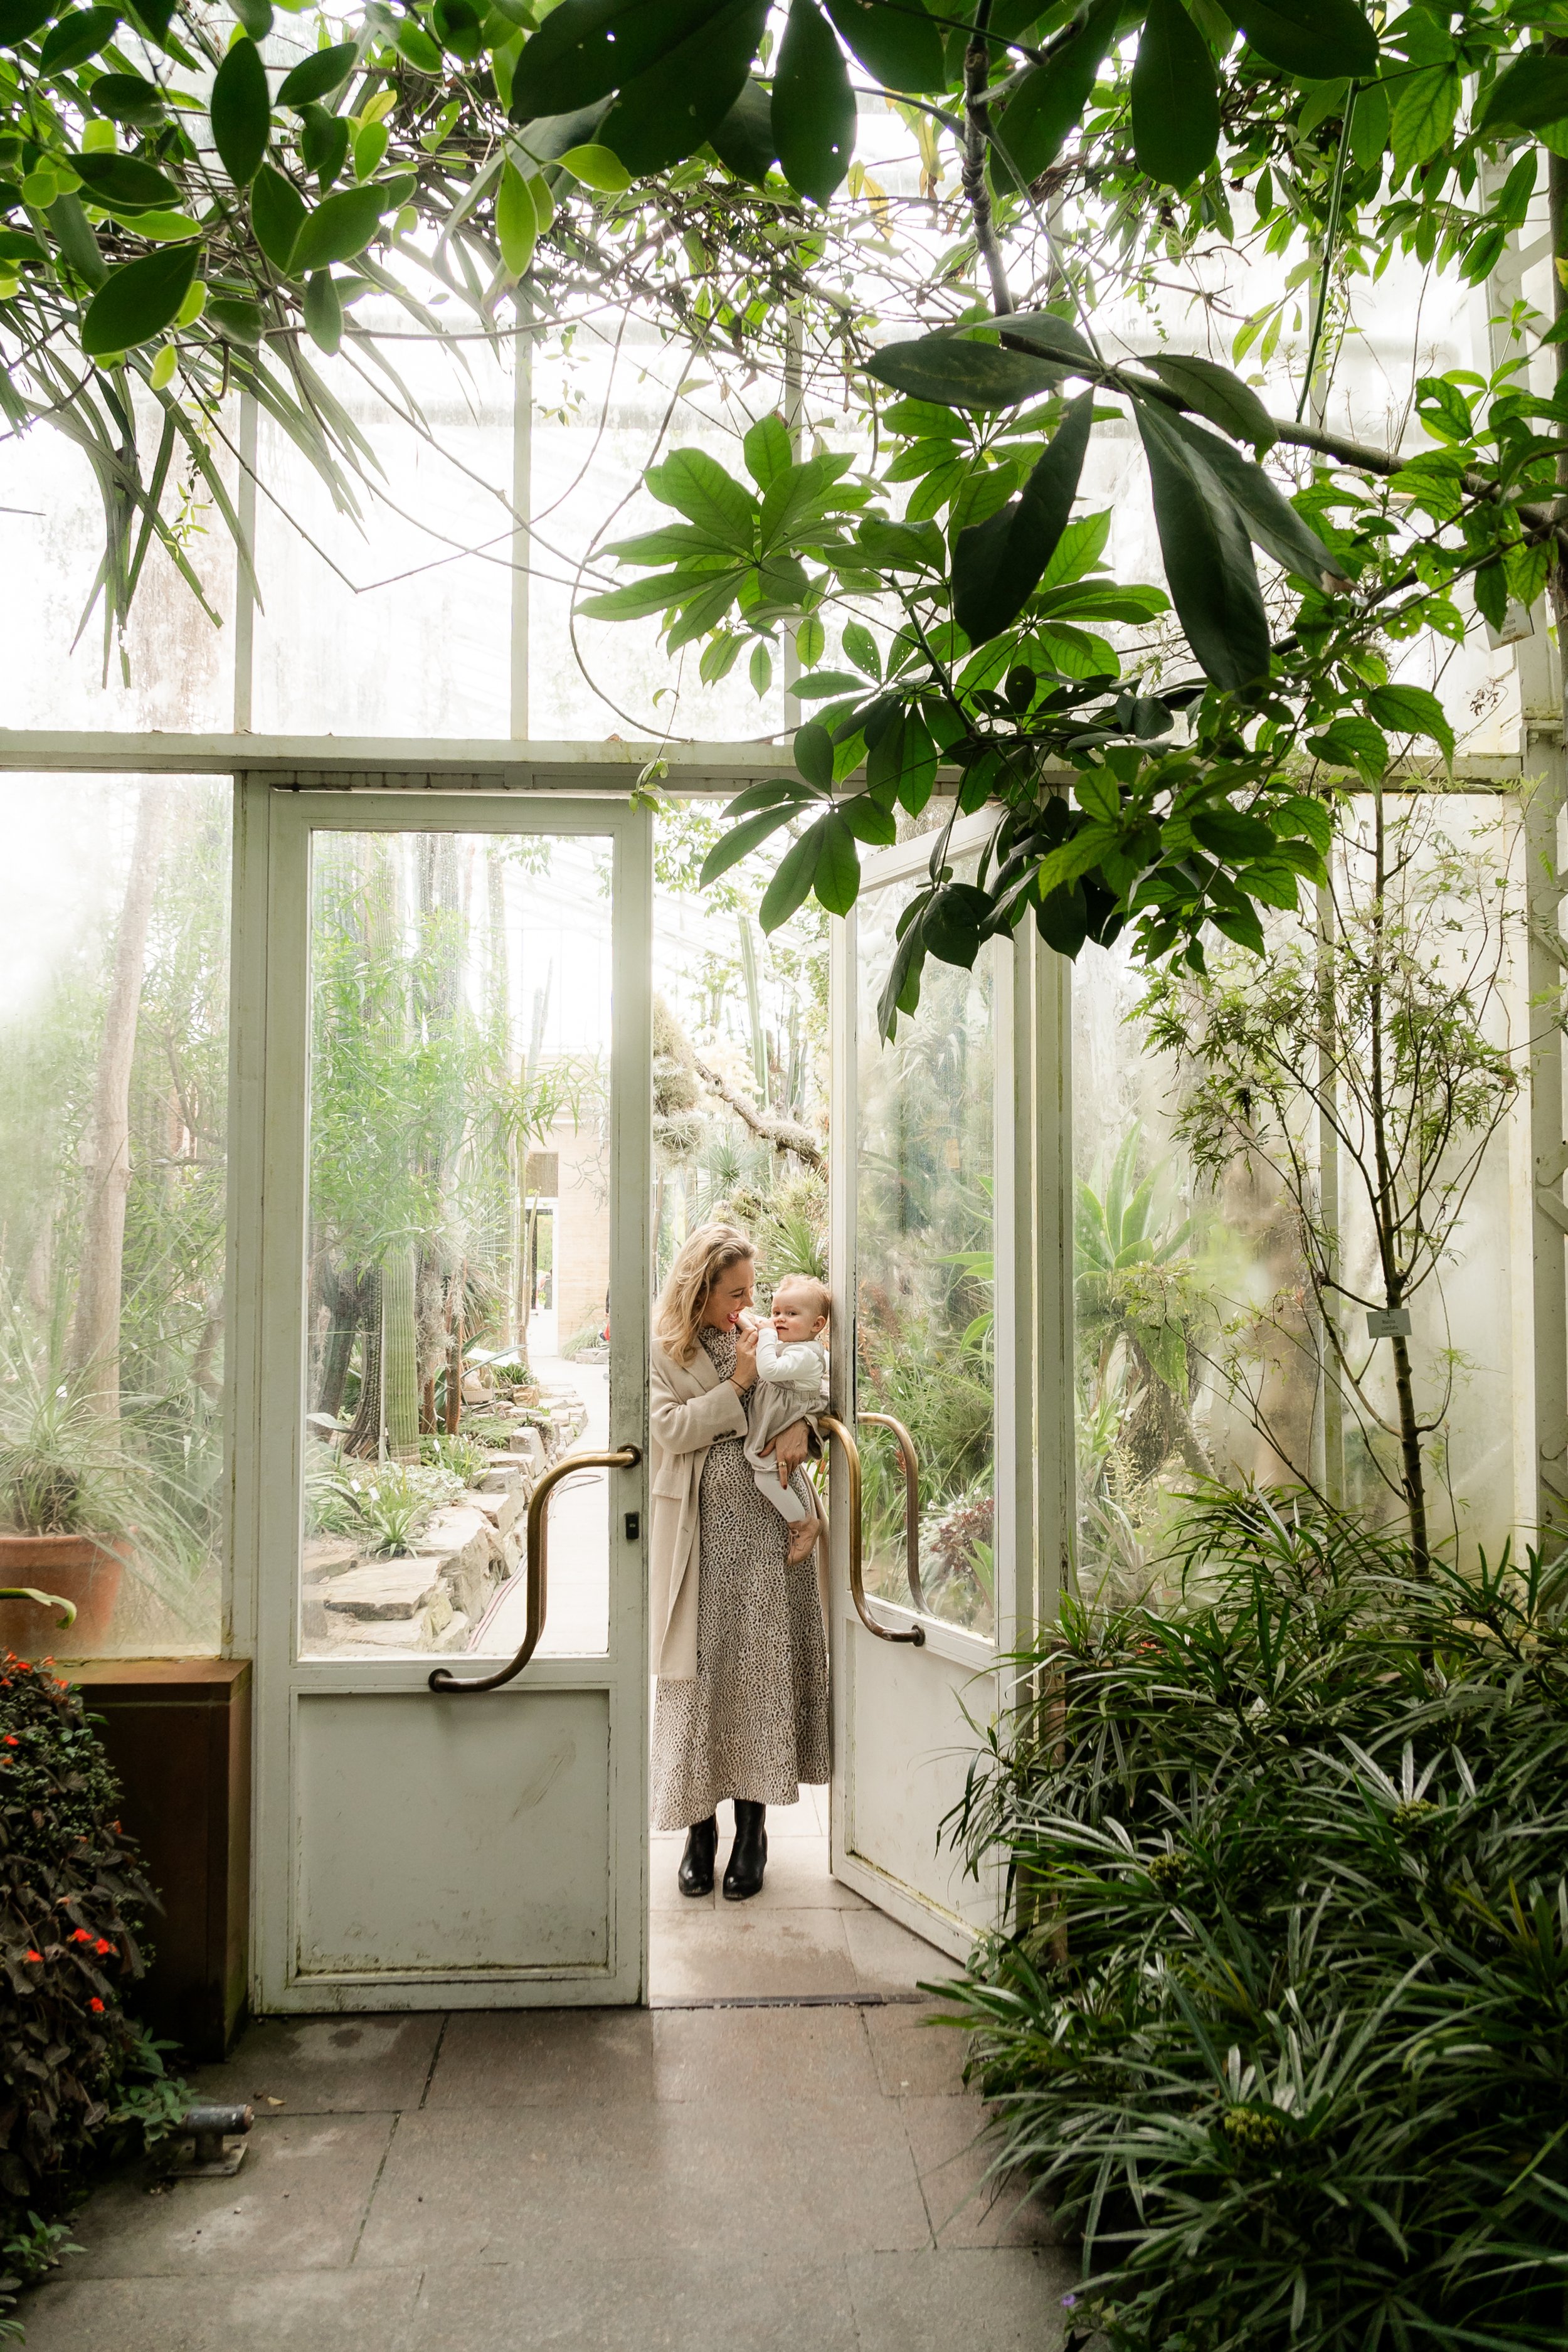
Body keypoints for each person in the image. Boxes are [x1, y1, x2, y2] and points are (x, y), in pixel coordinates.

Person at [649, 1224, 829, 1902]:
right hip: (700, 1537)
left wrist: (800, 1429)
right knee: (699, 1683)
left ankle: (752, 1832)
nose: (747, 1303)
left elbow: (816, 1391)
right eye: (734, 1292)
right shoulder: (665, 1351)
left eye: (751, 1289)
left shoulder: (771, 1332)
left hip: (768, 1530)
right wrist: (741, 1383)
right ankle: (700, 1833)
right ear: (699, 1291)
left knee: (760, 1672)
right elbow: (667, 1430)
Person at [743, 1275, 830, 1540]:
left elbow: (769, 1369)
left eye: (791, 1313)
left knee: (766, 1478)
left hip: (789, 1414)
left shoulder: (805, 1354)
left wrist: (768, 1333)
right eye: (776, 1312)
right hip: (780, 1413)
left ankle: (803, 1524)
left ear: (817, 1324)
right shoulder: (793, 1345)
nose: (779, 1319)